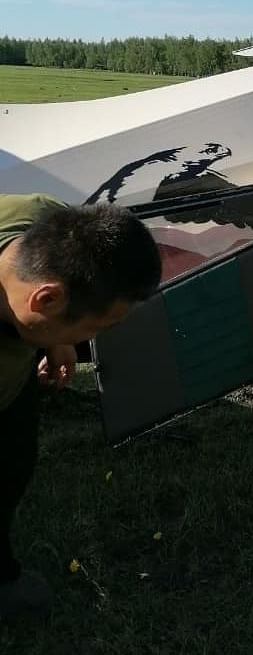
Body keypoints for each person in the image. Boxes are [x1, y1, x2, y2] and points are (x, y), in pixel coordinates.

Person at [0, 194, 161, 619]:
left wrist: (58, 337)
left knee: (13, 460)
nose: (100, 337)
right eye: (99, 326)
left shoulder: (45, 218)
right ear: (47, 300)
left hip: (14, 382)